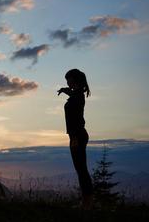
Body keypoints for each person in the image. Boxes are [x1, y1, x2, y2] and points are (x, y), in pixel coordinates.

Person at [58, 68, 93, 209]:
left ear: (75, 79)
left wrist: (73, 138)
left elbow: (76, 120)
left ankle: (87, 202)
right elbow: (74, 94)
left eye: (69, 80)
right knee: (81, 169)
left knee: (82, 170)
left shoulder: (78, 96)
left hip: (77, 136)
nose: (67, 82)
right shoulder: (77, 94)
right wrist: (66, 91)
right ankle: (86, 201)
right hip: (77, 135)